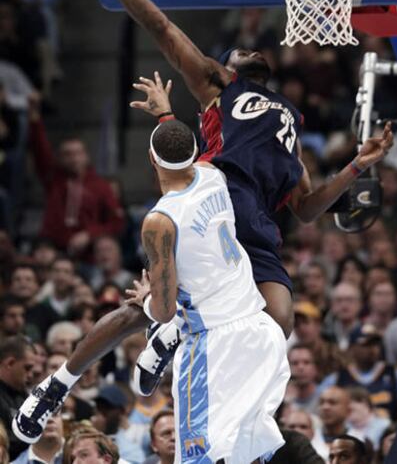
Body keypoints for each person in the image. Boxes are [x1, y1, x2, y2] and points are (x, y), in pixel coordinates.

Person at [12, 0, 394, 443]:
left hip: (256, 226)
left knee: (275, 324)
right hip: (215, 206)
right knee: (138, 311)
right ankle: (56, 383)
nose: (249, 53)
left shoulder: (289, 125)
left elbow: (306, 207)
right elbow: (163, 30)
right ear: (227, 65)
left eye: (252, 55)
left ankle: (190, 364)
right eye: (239, 53)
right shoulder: (222, 87)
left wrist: (357, 165)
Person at [16, 120, 290, 463]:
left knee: (196, 457)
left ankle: (68, 378)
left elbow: (161, 307)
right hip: (261, 334)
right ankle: (72, 378)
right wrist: (165, 115)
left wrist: (150, 298)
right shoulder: (212, 174)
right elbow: (180, 152)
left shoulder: (160, 221)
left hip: (214, 344)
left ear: (150, 157)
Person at [28, 95, 124, 257]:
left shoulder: (100, 186)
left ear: (86, 156)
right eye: (67, 154)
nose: (73, 158)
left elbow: (116, 223)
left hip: (88, 254)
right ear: (60, 159)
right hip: (54, 250)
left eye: (77, 153)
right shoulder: (54, 178)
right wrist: (34, 117)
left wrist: (89, 234)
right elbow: (40, 150)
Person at [0, 336, 36, 460]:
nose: (31, 375)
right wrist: (36, 439)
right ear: (10, 363)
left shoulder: (25, 396)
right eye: (27, 368)